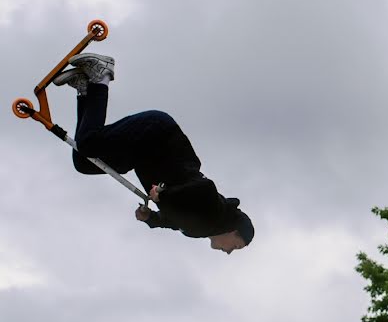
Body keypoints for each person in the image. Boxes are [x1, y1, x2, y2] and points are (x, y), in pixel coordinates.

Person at [53, 53, 254, 254]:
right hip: (156, 135)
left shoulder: (199, 229)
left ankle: (85, 88)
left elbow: (174, 221)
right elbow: (204, 188)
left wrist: (151, 218)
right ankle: (102, 75)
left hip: (141, 153)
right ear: (233, 231)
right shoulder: (215, 214)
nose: (228, 252)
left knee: (84, 162)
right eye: (235, 246)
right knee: (88, 145)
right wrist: (164, 194)